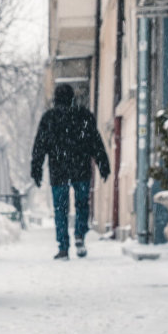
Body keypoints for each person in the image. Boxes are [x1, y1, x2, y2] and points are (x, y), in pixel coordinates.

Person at [30, 83, 111, 259]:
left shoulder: (49, 118)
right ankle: (80, 233)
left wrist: (36, 169)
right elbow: (95, 142)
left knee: (61, 209)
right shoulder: (84, 116)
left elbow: (39, 146)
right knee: (82, 205)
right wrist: (103, 164)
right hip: (80, 168)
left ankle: (63, 247)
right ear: (73, 97)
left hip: (58, 171)